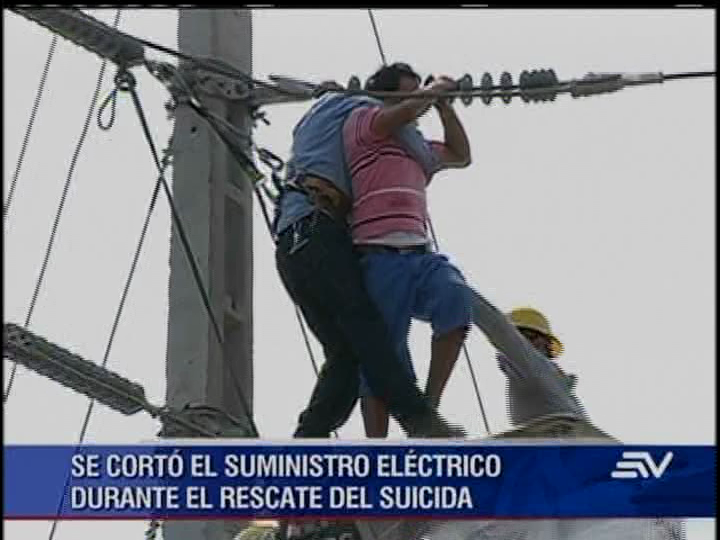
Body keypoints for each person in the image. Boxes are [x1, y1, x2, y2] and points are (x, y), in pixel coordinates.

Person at [273, 76, 466, 439]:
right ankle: (418, 417)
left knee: (346, 359)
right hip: (315, 227)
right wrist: (436, 90)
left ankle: (306, 445)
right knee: (364, 325)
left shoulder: (337, 123)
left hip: (296, 242)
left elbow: (452, 152)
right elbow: (405, 113)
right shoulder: (354, 108)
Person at [342, 63, 474, 438]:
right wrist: (432, 92)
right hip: (378, 253)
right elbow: (400, 113)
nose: (416, 105)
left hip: (417, 251)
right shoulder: (364, 124)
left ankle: (425, 411)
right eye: (406, 94)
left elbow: (461, 155)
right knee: (385, 353)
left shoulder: (415, 147)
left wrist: (445, 107)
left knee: (454, 298)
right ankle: (377, 445)